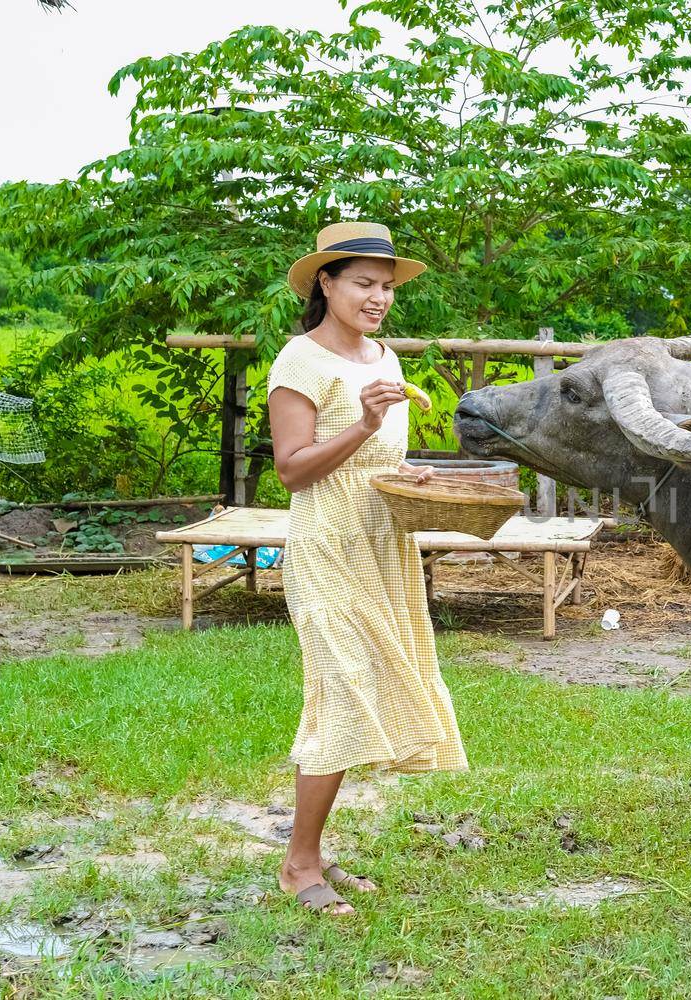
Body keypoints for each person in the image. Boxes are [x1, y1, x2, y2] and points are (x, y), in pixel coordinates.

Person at [266, 222, 468, 916]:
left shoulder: (386, 359)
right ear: (326, 283)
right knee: (343, 693)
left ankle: (314, 854)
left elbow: (374, 463)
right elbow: (292, 472)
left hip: (382, 546)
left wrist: (407, 473)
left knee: (362, 693)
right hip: (327, 546)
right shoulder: (300, 361)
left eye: (386, 286)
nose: (379, 297)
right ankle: (298, 866)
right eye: (364, 283)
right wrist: (359, 428)